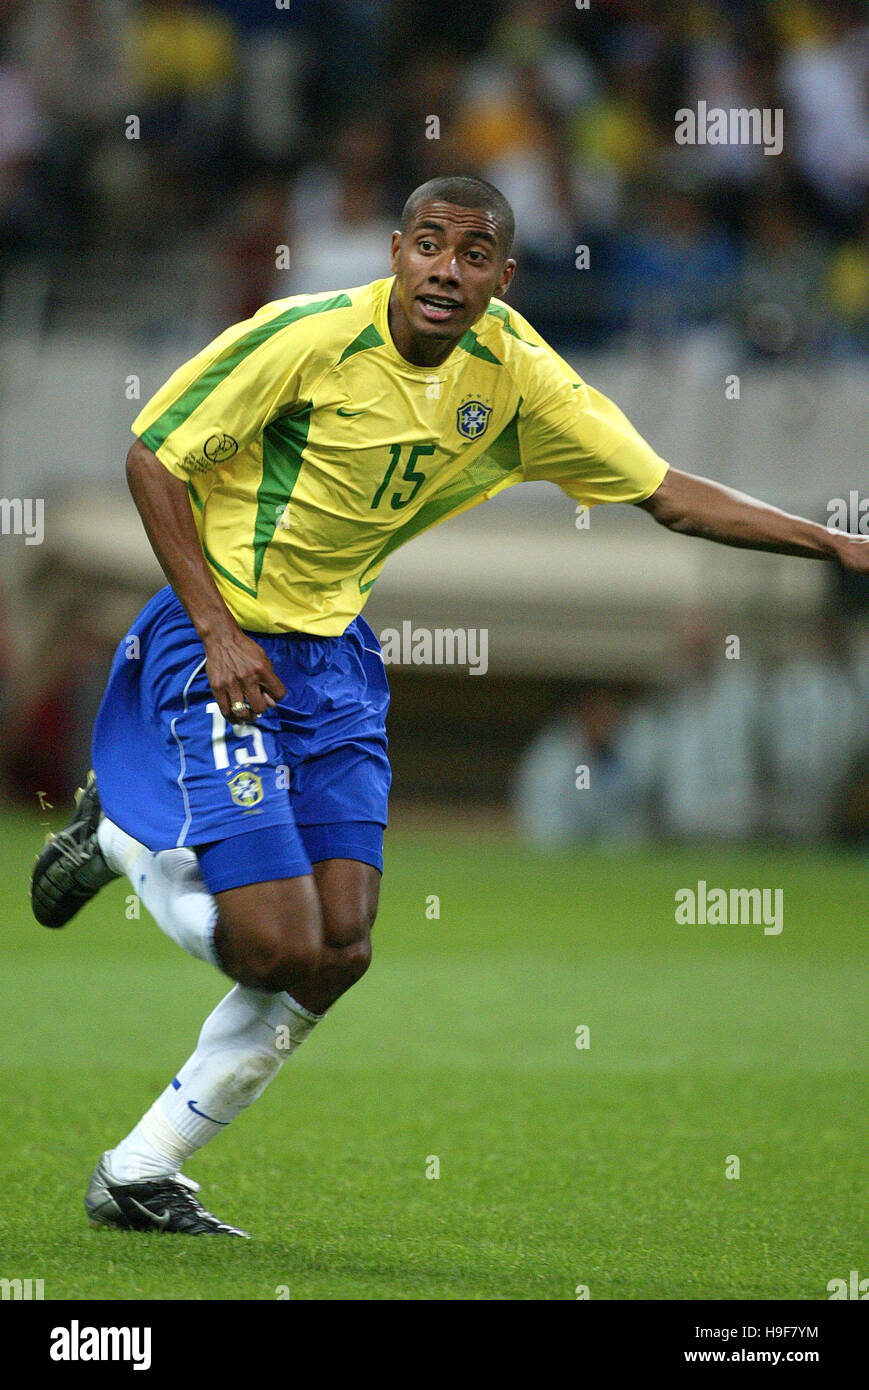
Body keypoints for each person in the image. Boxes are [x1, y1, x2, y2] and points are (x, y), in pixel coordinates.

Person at [30, 175, 869, 1237]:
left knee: (340, 950)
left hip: (331, 663)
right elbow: (153, 454)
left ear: (501, 277)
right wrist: (217, 630)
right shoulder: (305, 336)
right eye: (428, 245)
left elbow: (665, 492)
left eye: (472, 256)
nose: (445, 270)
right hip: (218, 646)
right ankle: (120, 839)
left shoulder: (515, 374)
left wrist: (834, 541)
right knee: (270, 945)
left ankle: (142, 1168)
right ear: (394, 251)